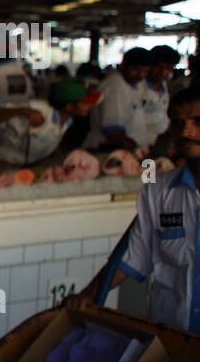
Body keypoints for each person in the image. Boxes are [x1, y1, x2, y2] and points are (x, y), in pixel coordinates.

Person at [70, 86, 200, 329]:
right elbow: (133, 256)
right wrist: (88, 295)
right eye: (179, 123)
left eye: (197, 122)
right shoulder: (158, 190)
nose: (188, 132)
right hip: (170, 338)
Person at [0, 78, 101, 165]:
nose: (89, 106)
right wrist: (23, 111)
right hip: (3, 163)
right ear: (69, 106)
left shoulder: (67, 121)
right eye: (85, 104)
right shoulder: (39, 109)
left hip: (27, 168)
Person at [85, 48, 149, 151]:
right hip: (108, 151)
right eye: (136, 70)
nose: (140, 75)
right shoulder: (115, 86)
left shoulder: (133, 85)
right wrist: (133, 149)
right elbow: (113, 132)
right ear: (123, 65)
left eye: (145, 71)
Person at [142, 45, 177, 154]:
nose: (162, 72)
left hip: (160, 145)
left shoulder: (164, 86)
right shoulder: (139, 87)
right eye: (158, 67)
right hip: (141, 144)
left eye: (168, 68)